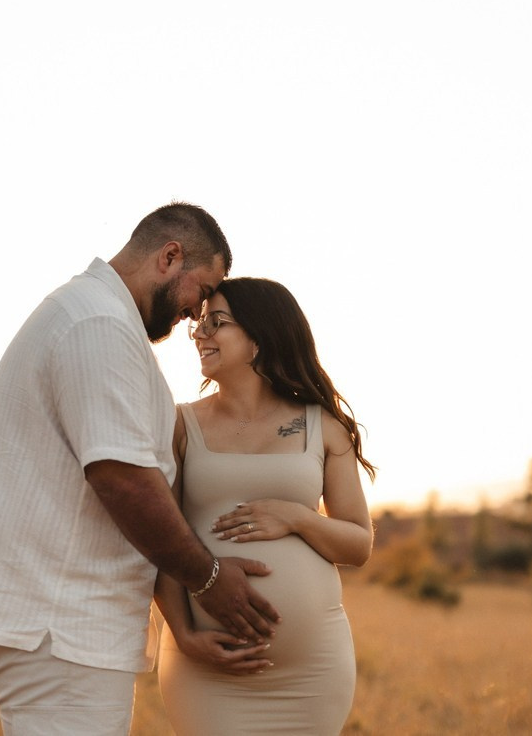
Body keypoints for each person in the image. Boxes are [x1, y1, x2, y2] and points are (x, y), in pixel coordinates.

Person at [0, 203, 281, 736]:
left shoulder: (97, 317)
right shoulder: (98, 324)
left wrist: (180, 624)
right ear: (170, 257)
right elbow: (122, 480)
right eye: (201, 290)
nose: (197, 313)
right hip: (57, 620)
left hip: (63, 618)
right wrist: (208, 579)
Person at [154, 277, 376, 735]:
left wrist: (294, 515)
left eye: (217, 323)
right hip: (206, 670)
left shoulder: (322, 427)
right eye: (199, 324)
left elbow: (358, 544)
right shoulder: (178, 424)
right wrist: (184, 634)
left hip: (311, 675)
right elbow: (159, 539)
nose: (200, 335)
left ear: (258, 338)